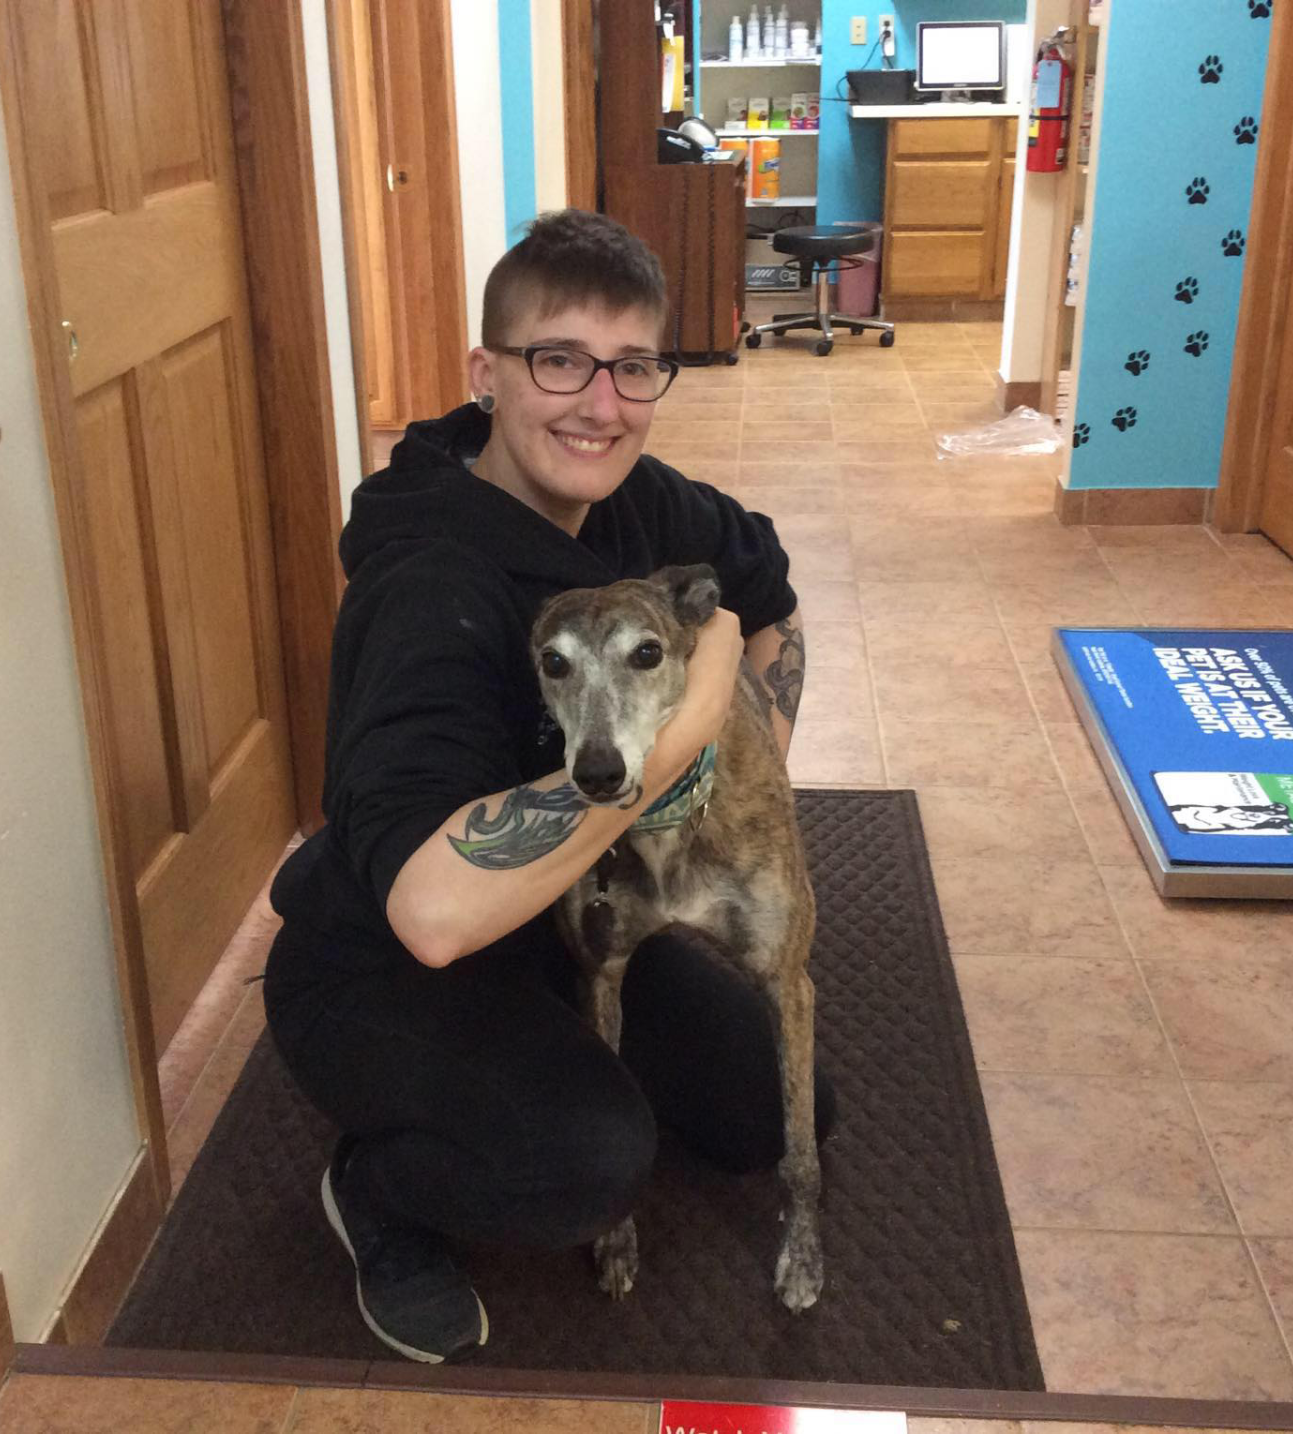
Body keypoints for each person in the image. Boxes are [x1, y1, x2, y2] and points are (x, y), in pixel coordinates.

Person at [263, 209, 820, 1365]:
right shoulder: (430, 585)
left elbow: (764, 595)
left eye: (632, 368)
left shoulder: (632, 497)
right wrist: (690, 726)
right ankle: (379, 1190)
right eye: (557, 361)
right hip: (387, 964)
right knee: (586, 1162)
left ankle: (545, 1069)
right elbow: (433, 910)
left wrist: (738, 757)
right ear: (487, 373)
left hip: (573, 916)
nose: (599, 405)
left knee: (760, 1117)